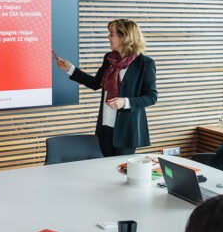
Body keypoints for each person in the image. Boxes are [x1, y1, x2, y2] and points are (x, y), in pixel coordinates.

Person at [53, 19, 157, 157]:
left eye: (112, 34)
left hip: (126, 130)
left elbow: (151, 97)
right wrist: (70, 69)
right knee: (104, 166)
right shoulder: (109, 58)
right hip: (105, 124)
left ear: (124, 37)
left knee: (120, 167)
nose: (108, 37)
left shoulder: (145, 63)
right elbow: (96, 83)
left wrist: (124, 102)